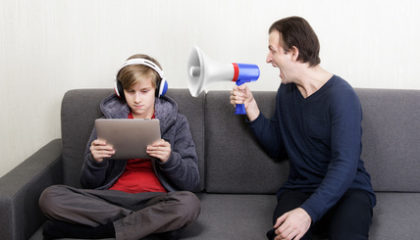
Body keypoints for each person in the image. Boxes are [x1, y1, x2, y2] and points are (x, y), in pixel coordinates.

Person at [230, 16, 376, 240]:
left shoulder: (341, 96)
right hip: (300, 189)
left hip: (348, 190)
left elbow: (345, 165)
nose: (268, 59)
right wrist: (252, 110)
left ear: (294, 52)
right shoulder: (286, 92)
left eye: (273, 51)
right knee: (285, 236)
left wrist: (308, 212)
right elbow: (278, 148)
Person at [39, 54, 201, 240]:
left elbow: (191, 182)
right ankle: (150, 227)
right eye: (130, 91)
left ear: (158, 89)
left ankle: (100, 232)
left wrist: (170, 159)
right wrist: (96, 161)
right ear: (120, 90)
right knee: (50, 197)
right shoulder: (106, 122)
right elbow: (88, 184)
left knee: (189, 205)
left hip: (155, 201)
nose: (137, 99)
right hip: (110, 199)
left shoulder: (177, 123)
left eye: (144, 91)